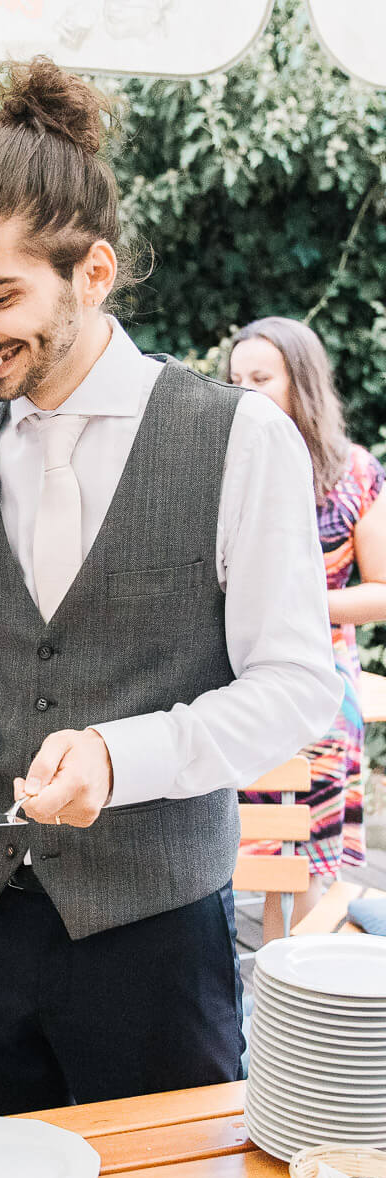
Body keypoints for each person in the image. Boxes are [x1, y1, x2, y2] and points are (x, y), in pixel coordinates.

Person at [0, 57, 342, 1119]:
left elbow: (292, 686)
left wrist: (115, 756)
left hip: (156, 939)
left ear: (92, 272)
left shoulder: (238, 438)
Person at [229, 317, 386, 941]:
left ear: (304, 383)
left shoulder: (353, 472)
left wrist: (294, 601)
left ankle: (292, 987)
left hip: (320, 674)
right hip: (236, 671)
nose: (245, 392)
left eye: (262, 379)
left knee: (302, 863)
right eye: (236, 380)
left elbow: (380, 595)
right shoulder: (227, 466)